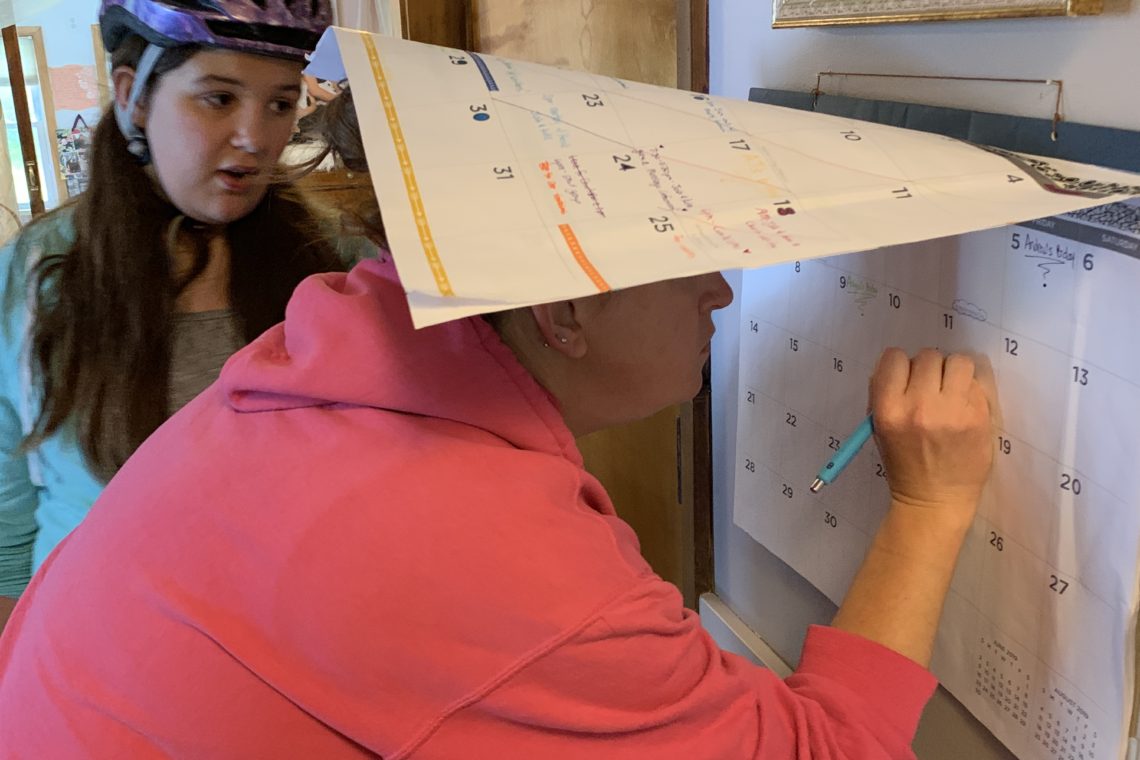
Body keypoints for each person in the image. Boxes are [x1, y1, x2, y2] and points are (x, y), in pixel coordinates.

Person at [0, 90, 996, 758]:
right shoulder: (475, 539)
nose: (723, 292)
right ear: (562, 311)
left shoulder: (324, 363)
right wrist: (929, 503)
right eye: (691, 256)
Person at [0, 0, 356, 628]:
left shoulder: (334, 259)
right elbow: (7, 504)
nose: (255, 137)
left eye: (280, 103)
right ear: (133, 96)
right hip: (95, 636)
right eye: (219, 99)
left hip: (289, 637)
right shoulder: (39, 270)